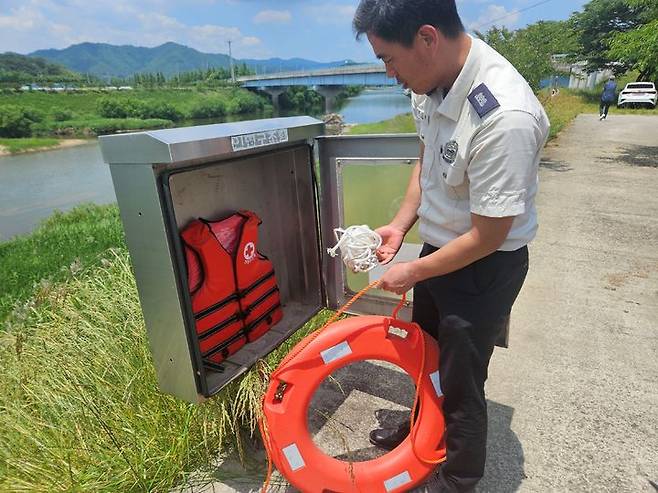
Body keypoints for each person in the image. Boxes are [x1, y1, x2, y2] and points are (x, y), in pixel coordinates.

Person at [352, 1, 550, 491]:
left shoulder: (505, 115)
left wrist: (413, 272)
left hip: (485, 265)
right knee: (427, 353)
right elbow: (427, 158)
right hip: (439, 252)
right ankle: (422, 429)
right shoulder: (432, 80)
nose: (389, 74)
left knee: (463, 380)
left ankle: (459, 478)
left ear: (426, 38)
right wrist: (401, 225)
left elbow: (490, 235)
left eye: (388, 60)